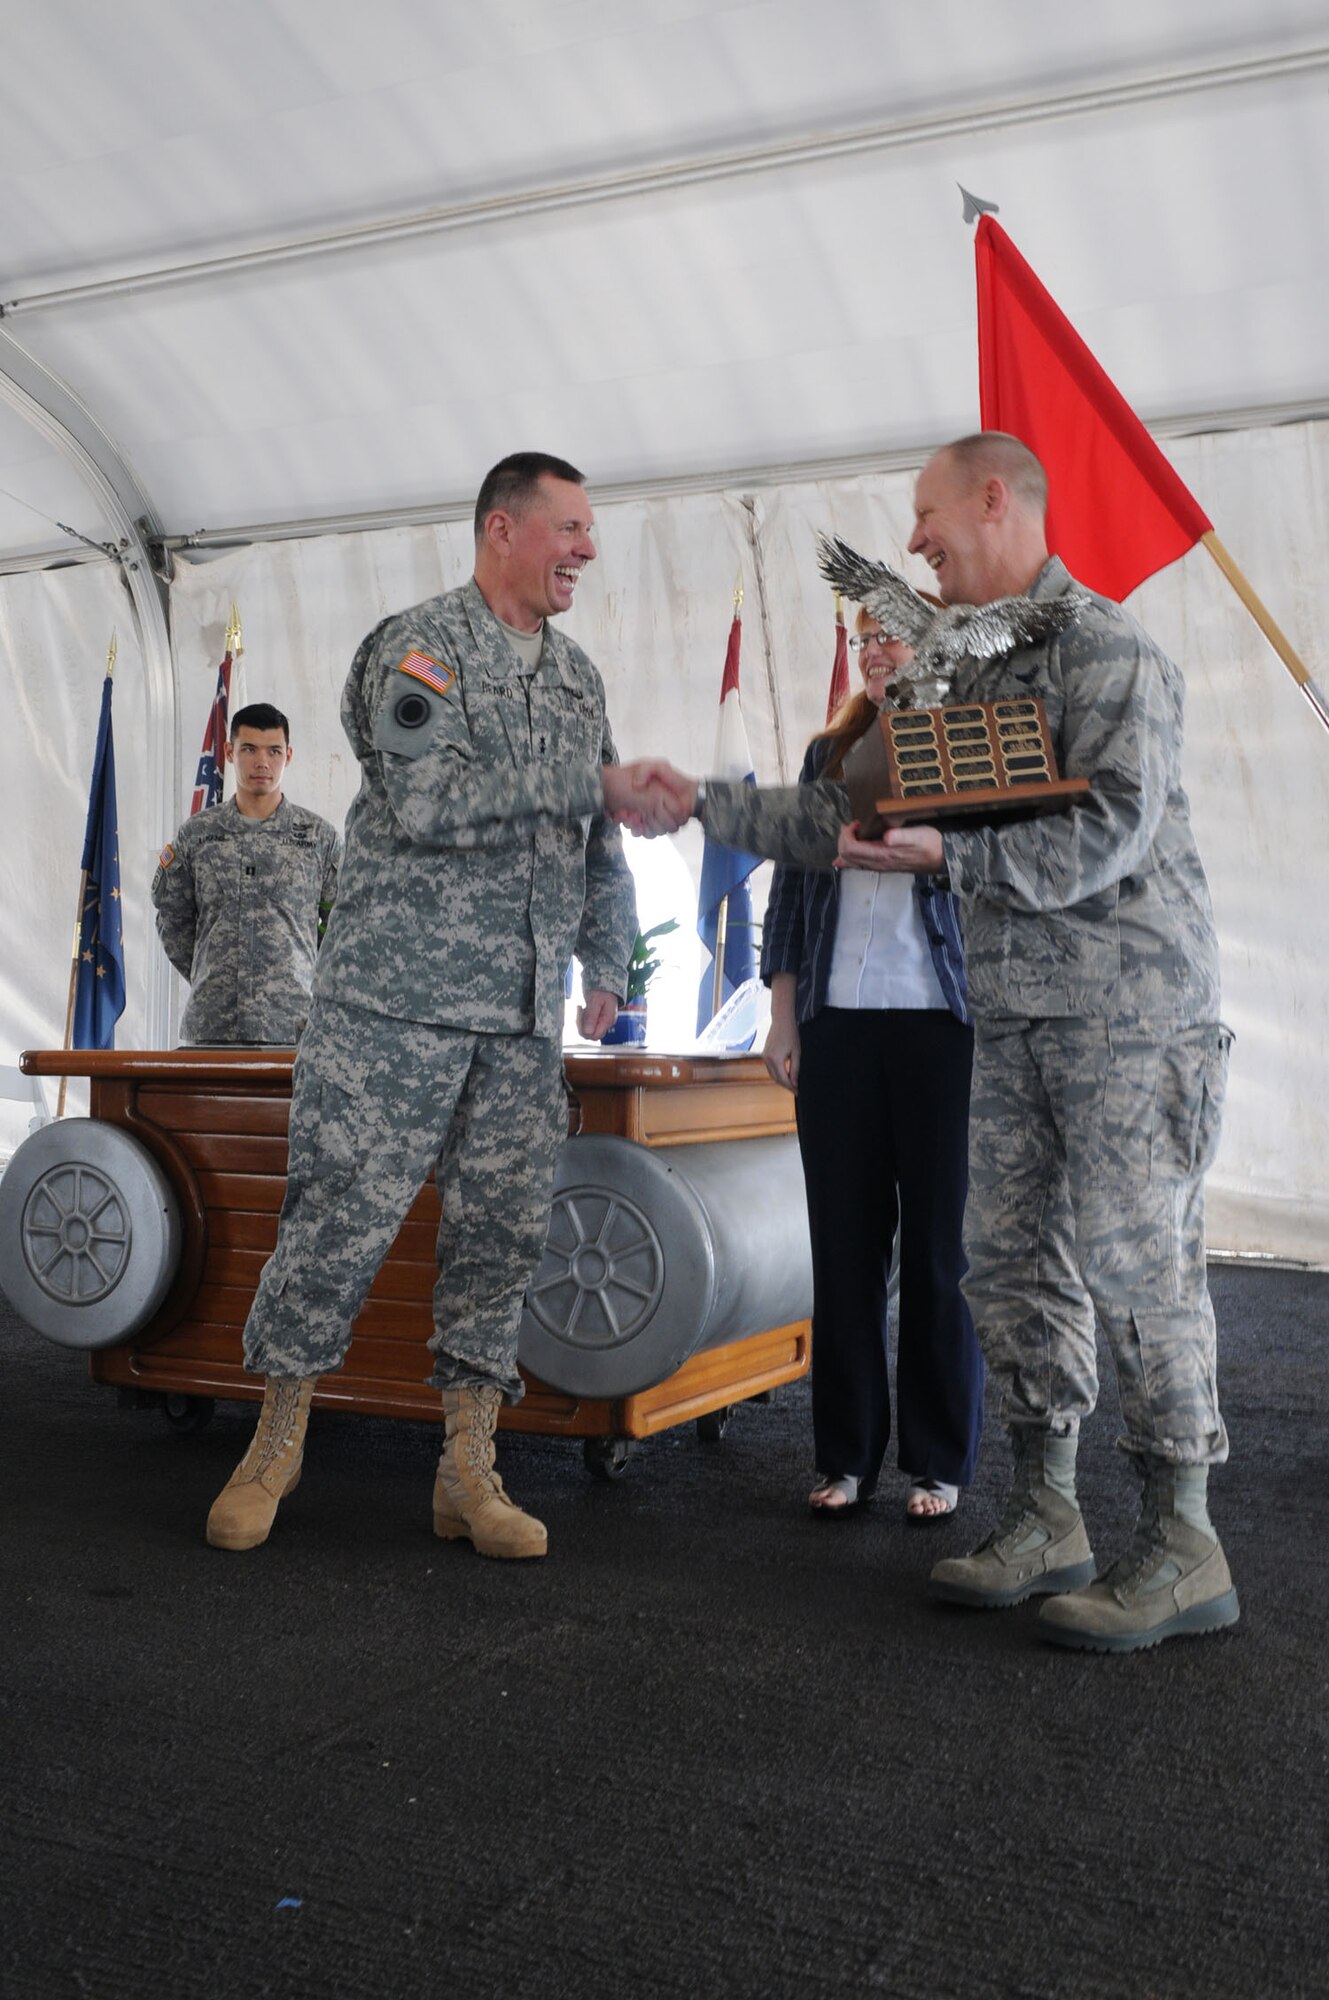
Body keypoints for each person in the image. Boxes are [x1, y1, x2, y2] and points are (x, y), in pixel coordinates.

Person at [205, 452, 673, 1560]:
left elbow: (596, 838)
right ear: (502, 529)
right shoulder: (415, 650)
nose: (587, 551)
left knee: (502, 1238)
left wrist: (610, 959)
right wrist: (591, 786)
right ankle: (273, 1444)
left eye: (590, 531)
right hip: (391, 1007)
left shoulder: (578, 681)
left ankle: (468, 1469)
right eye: (569, 528)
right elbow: (429, 800)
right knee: (335, 1223)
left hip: (517, 1014)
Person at [826, 432, 1239, 1653]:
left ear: (994, 500)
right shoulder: (983, 670)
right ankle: (1047, 1512)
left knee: (1137, 1265)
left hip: (1130, 1011)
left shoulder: (1107, 648)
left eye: (926, 513)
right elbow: (907, 785)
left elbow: (1110, 829)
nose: (911, 543)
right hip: (1013, 1012)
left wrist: (949, 853)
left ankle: (1184, 1540)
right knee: (1005, 1262)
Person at [761, 608, 984, 1522]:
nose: (878, 650)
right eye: (864, 639)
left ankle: (937, 1463)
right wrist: (783, 1016)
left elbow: (1004, 869)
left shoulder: (971, 738)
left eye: (896, 634)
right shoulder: (827, 755)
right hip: (837, 1024)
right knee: (843, 1249)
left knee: (938, 1251)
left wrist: (937, 855)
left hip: (940, 1026)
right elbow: (788, 888)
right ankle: (845, 1459)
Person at [151, 702, 341, 1045]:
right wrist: (214, 974)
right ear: (229, 751)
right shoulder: (196, 836)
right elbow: (173, 922)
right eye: (249, 749)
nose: (262, 762)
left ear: (289, 755)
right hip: (212, 1027)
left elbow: (340, 927)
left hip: (294, 1029)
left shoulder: (319, 839)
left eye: (274, 751)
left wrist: (301, 977)